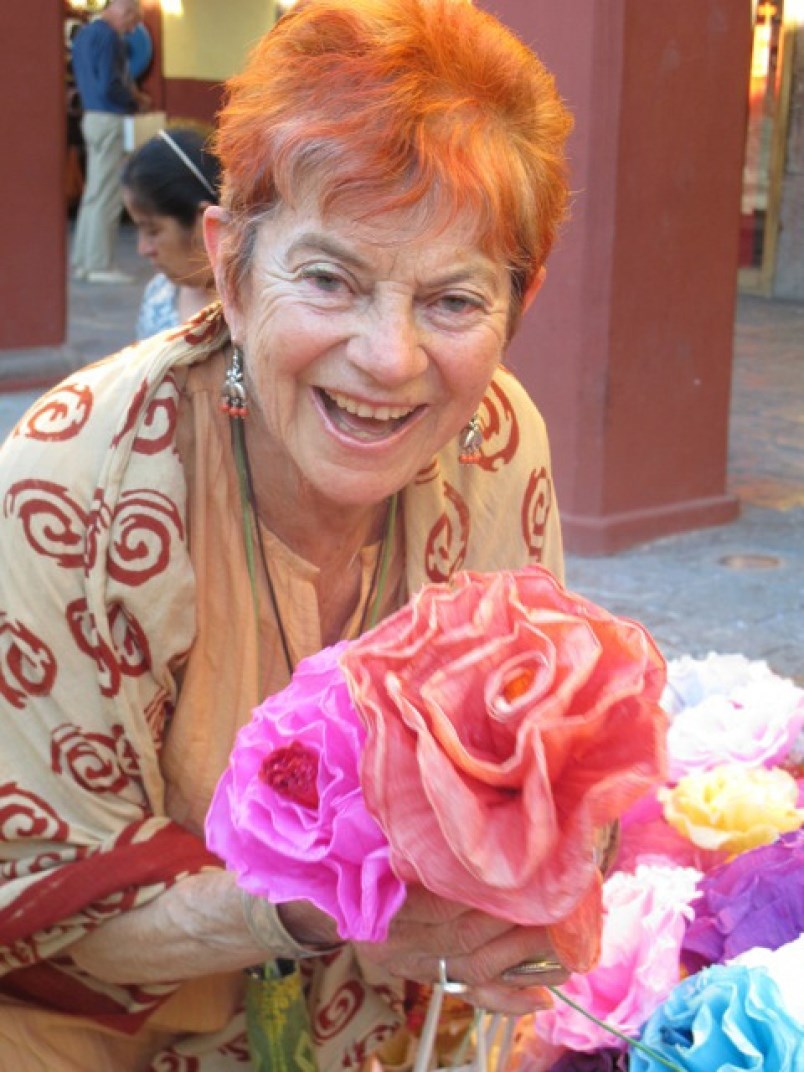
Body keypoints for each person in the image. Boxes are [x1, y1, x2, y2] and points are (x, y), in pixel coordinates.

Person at [0, 1, 586, 1068]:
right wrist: (328, 904)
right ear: (226, 268)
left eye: (454, 299)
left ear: (522, 298)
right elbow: (38, 907)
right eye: (329, 280)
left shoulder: (498, 436)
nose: (390, 359)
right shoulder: (69, 485)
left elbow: (528, 768)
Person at [70, 0, 149, 284]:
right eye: (132, 22)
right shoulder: (109, 37)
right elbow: (110, 85)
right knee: (108, 195)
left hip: (91, 116)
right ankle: (100, 265)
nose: (131, 29)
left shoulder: (84, 34)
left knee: (94, 194)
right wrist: (135, 99)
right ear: (125, 11)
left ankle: (84, 261)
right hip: (109, 118)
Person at [122, 126, 221, 340]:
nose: (143, 249)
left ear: (204, 222)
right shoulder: (159, 296)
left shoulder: (258, 310)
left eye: (153, 231)